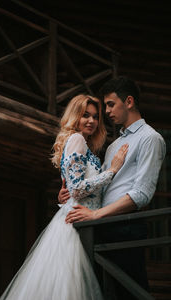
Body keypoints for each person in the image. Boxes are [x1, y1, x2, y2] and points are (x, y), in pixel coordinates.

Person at [0, 94, 128, 300]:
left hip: (82, 220)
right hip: (75, 224)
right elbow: (77, 189)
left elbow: (71, 188)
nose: (92, 121)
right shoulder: (77, 139)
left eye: (95, 117)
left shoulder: (82, 145)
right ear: (75, 116)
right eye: (85, 115)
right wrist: (111, 171)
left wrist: (65, 196)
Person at [60, 77, 166, 299]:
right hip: (100, 227)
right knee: (104, 293)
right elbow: (101, 185)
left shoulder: (150, 138)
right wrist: (70, 194)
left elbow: (142, 194)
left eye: (110, 104)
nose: (106, 112)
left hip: (124, 227)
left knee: (130, 291)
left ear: (128, 101)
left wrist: (96, 214)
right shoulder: (114, 146)